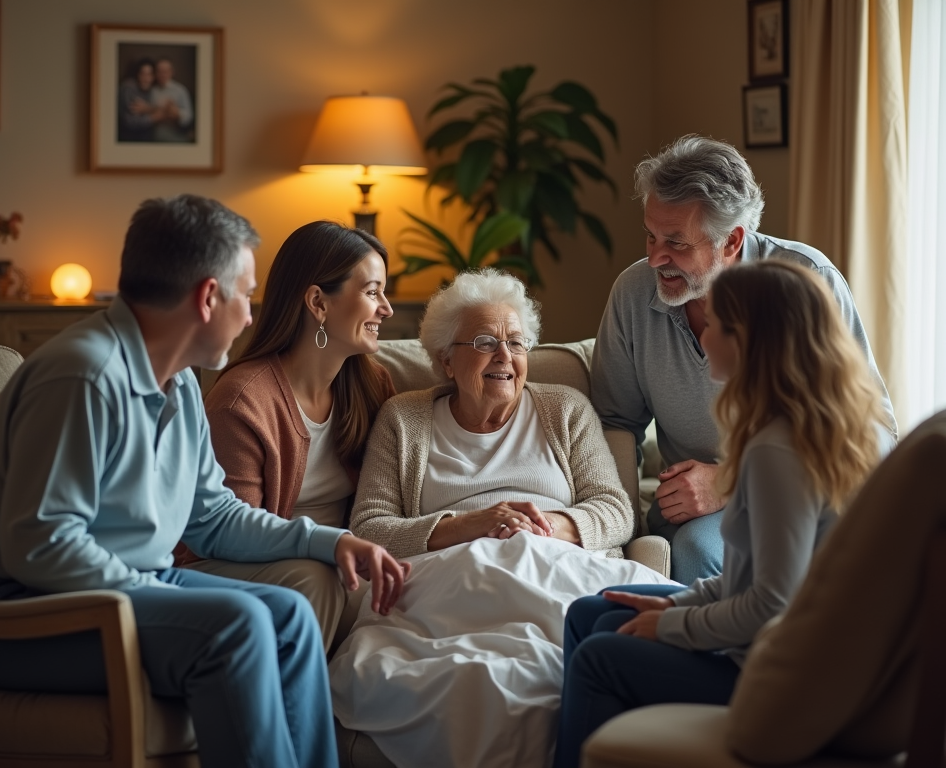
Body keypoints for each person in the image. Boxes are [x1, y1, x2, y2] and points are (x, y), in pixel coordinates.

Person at [0, 194, 409, 768]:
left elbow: (212, 516)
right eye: (246, 295)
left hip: (116, 592)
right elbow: (41, 545)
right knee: (239, 625)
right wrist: (159, 593)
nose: (253, 316)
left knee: (288, 618)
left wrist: (329, 542)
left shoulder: (180, 382)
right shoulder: (82, 376)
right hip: (13, 617)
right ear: (209, 297)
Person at [554, 260, 892, 768]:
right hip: (780, 645)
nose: (702, 336)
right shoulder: (799, 427)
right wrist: (678, 608)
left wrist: (672, 627)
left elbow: (768, 604)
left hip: (789, 680)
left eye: (715, 324)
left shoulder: (778, 450)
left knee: (601, 655)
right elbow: (749, 579)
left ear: (750, 340)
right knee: (592, 610)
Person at [330, 269, 671, 768]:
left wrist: (547, 527)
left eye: (516, 342)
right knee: (473, 682)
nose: (505, 357)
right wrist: (471, 524)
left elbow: (616, 510)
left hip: (557, 571)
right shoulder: (404, 419)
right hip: (447, 594)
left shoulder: (565, 409)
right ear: (446, 358)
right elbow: (370, 528)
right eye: (486, 342)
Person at [591, 133, 896, 586]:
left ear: (732, 240)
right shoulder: (633, 294)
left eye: (676, 242)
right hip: (692, 512)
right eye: (650, 235)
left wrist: (731, 481)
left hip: (798, 497)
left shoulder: (806, 282)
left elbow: (873, 435)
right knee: (675, 563)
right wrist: (620, 529)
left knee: (703, 556)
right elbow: (615, 420)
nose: (655, 258)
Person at [197, 220, 396, 651]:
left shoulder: (373, 386)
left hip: (338, 566)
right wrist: (326, 547)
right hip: (240, 568)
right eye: (372, 291)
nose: (386, 308)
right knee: (321, 580)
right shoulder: (242, 401)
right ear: (318, 302)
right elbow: (231, 535)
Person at [150, 58, 194, 142]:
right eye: (159, 71)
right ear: (155, 73)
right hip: (154, 137)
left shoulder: (181, 90)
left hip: (176, 135)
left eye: (165, 71)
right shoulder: (151, 90)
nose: (162, 74)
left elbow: (188, 116)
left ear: (172, 72)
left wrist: (177, 113)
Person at [117, 58, 157, 142]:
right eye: (142, 74)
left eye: (149, 74)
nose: (146, 78)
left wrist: (148, 109)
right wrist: (156, 117)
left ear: (153, 77)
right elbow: (130, 122)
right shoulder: (128, 87)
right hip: (128, 137)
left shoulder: (154, 89)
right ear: (137, 75)